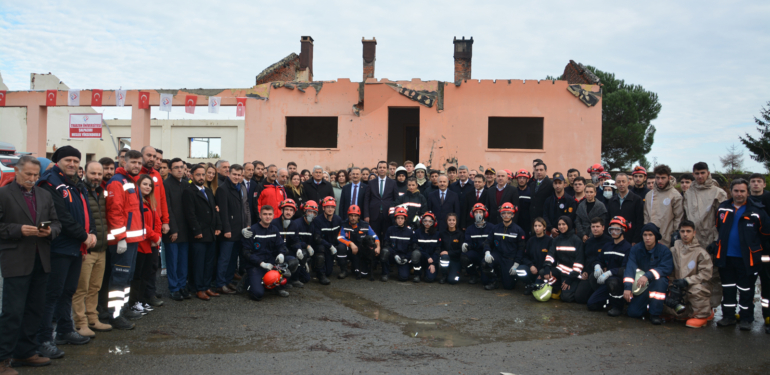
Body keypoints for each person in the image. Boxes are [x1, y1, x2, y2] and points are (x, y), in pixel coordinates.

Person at [0, 156, 61, 371]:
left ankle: (25, 353)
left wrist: (49, 231)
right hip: (16, 259)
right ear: (17, 171)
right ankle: (2, 359)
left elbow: (56, 223)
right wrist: (18, 230)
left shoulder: (44, 195)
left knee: (35, 309)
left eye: (36, 175)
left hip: (41, 258)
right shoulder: (4, 194)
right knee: (13, 312)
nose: (32, 179)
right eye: (28, 174)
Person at [36, 146, 95, 357]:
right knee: (51, 294)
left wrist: (93, 232)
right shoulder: (49, 182)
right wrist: (84, 236)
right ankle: (42, 339)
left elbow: (86, 211)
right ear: (58, 161)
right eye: (68, 160)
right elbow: (61, 216)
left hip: (75, 248)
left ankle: (65, 330)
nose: (72, 164)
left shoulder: (76, 184)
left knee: (68, 291)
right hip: (58, 247)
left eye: (75, 160)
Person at [714, 179, 770, 331]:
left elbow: (765, 234)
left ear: (748, 192)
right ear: (731, 192)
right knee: (728, 289)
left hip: (747, 259)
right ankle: (728, 317)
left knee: (746, 290)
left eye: (742, 191)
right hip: (726, 257)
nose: (739, 194)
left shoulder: (757, 211)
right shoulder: (723, 208)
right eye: (736, 191)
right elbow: (718, 227)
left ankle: (746, 318)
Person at [103, 150, 144, 330]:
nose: (137, 165)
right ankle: (114, 314)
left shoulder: (129, 181)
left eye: (138, 162)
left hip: (132, 239)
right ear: (124, 162)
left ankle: (123, 308)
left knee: (127, 277)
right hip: (123, 241)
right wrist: (120, 238)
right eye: (133, 162)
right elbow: (114, 211)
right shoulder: (117, 182)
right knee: (119, 278)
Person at [72, 162, 112, 338]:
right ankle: (80, 324)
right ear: (84, 173)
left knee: (95, 287)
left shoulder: (101, 191)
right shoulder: (79, 191)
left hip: (101, 247)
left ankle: (93, 319)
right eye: (93, 173)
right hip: (86, 248)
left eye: (99, 173)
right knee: (81, 288)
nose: (96, 176)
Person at [683, 162, 727, 311]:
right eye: (697, 173)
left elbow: (724, 221)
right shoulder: (689, 192)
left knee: (712, 275)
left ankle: (710, 307)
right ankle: (694, 306)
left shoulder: (718, 193)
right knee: (692, 272)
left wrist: (718, 240)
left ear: (708, 173)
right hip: (692, 240)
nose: (700, 176)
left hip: (710, 239)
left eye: (703, 173)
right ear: (693, 174)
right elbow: (686, 216)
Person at [182, 164, 222, 301]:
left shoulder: (208, 191)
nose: (201, 177)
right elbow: (190, 214)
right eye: (198, 175)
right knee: (198, 263)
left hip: (211, 233)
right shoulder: (189, 191)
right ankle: (199, 289)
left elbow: (214, 210)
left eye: (202, 175)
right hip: (199, 234)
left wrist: (218, 225)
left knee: (209, 262)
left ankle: (206, 287)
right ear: (191, 176)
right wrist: (196, 230)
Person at [623, 223, 673, 325]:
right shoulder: (636, 249)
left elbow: (666, 268)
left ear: (656, 236)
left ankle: (655, 314)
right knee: (633, 313)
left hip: (657, 285)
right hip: (641, 285)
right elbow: (630, 268)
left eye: (650, 235)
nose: (647, 238)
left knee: (661, 281)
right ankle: (645, 308)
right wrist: (627, 288)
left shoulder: (664, 251)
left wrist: (647, 275)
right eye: (645, 235)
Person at [666, 220, 713, 328]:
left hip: (694, 284)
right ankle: (681, 313)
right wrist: (672, 284)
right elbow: (670, 270)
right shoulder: (673, 250)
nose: (685, 234)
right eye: (682, 231)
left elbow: (706, 274)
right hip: (678, 286)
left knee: (696, 290)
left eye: (688, 231)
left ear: (694, 233)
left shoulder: (701, 252)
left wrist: (687, 281)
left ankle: (702, 316)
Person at [240, 205, 290, 300]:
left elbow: (281, 246)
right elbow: (246, 252)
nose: (267, 217)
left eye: (270, 214)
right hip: (256, 265)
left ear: (273, 215)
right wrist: (260, 263)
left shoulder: (274, 229)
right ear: (260, 215)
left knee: (290, 262)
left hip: (271, 263)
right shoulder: (252, 230)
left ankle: (276, 287)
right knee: (257, 294)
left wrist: (281, 254)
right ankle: (247, 281)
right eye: (265, 214)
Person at [139, 146, 168, 306]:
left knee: (152, 264)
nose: (153, 159)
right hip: (141, 227)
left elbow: (162, 199)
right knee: (141, 267)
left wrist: (165, 221)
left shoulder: (156, 175)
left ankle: (150, 293)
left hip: (156, 225)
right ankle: (142, 297)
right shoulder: (136, 175)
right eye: (149, 155)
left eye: (155, 157)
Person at [129, 174, 162, 316]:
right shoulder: (136, 202)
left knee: (146, 275)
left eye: (150, 185)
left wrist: (158, 237)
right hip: (141, 245)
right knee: (137, 276)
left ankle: (141, 300)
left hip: (151, 245)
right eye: (145, 184)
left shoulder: (151, 202)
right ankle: (134, 302)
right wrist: (154, 236)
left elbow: (157, 222)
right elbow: (141, 223)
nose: (148, 187)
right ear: (138, 185)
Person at [587, 216, 632, 316]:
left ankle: (618, 306)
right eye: (612, 229)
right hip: (607, 281)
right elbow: (599, 259)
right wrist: (597, 266)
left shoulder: (627, 248)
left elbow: (626, 269)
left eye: (617, 229)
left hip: (619, 282)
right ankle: (607, 300)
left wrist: (610, 272)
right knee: (591, 305)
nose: (614, 232)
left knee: (613, 281)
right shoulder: (607, 246)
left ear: (623, 230)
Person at [215, 164, 248, 295]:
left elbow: (243, 210)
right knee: (224, 259)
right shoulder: (223, 189)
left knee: (233, 260)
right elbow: (223, 212)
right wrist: (226, 229)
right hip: (228, 232)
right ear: (229, 174)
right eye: (234, 174)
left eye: (239, 175)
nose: (237, 177)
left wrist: (245, 226)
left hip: (239, 230)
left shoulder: (240, 188)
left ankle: (228, 281)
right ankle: (220, 284)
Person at [481, 202, 527, 291]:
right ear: (501, 214)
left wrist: (516, 263)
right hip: (497, 255)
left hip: (510, 258)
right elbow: (487, 242)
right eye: (504, 213)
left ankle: (508, 276)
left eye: (509, 213)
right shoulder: (495, 228)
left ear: (513, 215)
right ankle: (493, 281)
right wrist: (487, 252)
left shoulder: (518, 230)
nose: (506, 215)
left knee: (508, 286)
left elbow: (521, 249)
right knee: (484, 263)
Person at [163, 158, 191, 302]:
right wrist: (173, 229)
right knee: (172, 261)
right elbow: (167, 208)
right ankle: (173, 288)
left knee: (183, 261)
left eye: (181, 167)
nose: (180, 170)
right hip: (173, 231)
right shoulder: (166, 185)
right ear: (170, 170)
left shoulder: (186, 184)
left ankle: (181, 286)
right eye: (176, 168)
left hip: (186, 230)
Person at [542, 216, 584, 302]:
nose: (561, 227)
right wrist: (547, 267)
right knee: (543, 273)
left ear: (569, 225)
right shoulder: (556, 240)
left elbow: (579, 262)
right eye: (559, 224)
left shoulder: (576, 240)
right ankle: (558, 287)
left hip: (572, 274)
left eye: (564, 224)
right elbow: (550, 254)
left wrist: (569, 279)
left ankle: (569, 287)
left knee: (566, 298)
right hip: (560, 270)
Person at [748, 173, 770, 333]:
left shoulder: (769, 199)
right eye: (753, 181)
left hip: (767, 250)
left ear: (764, 184)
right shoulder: (745, 200)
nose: (755, 184)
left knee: (767, 282)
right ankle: (746, 315)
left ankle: (767, 315)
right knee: (747, 284)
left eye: (758, 181)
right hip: (749, 250)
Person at [574, 217, 612, 304]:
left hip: (602, 274)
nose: (595, 229)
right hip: (589, 273)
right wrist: (584, 271)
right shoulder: (588, 242)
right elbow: (584, 258)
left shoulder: (609, 242)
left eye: (597, 226)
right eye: (593, 226)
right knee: (579, 298)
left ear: (603, 227)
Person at [644, 164, 684, 247]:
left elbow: (678, 218)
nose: (660, 181)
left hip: (667, 238)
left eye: (663, 178)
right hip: (650, 238)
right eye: (658, 178)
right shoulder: (649, 195)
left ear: (669, 178)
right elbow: (646, 215)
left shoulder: (675, 195)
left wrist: (675, 235)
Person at [337, 205, 380, 280]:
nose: (353, 218)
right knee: (341, 247)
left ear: (359, 216)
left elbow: (375, 237)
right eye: (351, 215)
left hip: (360, 253)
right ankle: (344, 271)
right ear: (348, 216)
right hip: (350, 250)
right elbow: (339, 238)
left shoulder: (365, 225)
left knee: (362, 274)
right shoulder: (344, 224)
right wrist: (350, 244)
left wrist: (378, 247)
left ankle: (355, 266)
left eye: (355, 216)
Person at [607, 173, 644, 246]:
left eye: (623, 181)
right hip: (615, 238)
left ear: (628, 183)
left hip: (631, 239)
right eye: (619, 182)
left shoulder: (637, 200)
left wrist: (636, 239)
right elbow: (608, 219)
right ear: (615, 184)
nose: (621, 184)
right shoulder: (611, 201)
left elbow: (640, 221)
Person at [363, 161, 399, 238]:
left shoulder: (393, 183)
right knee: (374, 237)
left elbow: (396, 200)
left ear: (387, 169)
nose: (382, 169)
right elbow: (366, 200)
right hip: (374, 215)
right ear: (377, 169)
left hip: (388, 215)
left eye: (384, 167)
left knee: (386, 237)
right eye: (380, 167)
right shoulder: (371, 183)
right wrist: (366, 215)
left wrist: (395, 215)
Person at [313, 197, 344, 283]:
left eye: (332, 207)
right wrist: (329, 246)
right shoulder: (318, 220)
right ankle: (320, 274)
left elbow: (341, 235)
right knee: (320, 248)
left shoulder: (338, 219)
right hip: (323, 247)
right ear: (323, 208)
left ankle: (343, 269)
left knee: (329, 272)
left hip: (333, 248)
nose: (330, 209)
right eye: (327, 207)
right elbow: (317, 238)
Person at [520, 218, 553, 293]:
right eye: (535, 226)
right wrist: (531, 265)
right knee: (520, 269)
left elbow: (551, 258)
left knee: (538, 289)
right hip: (532, 269)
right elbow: (525, 257)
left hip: (543, 271)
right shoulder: (531, 240)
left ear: (544, 227)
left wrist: (543, 271)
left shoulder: (550, 241)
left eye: (539, 226)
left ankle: (536, 284)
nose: (537, 228)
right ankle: (529, 284)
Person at [464, 203, 494, 285]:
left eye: (480, 212)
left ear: (485, 213)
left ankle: (492, 276)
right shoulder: (470, 229)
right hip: (476, 254)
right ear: (472, 214)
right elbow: (468, 242)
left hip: (488, 254)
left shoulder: (491, 227)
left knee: (485, 281)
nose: (478, 214)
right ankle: (474, 274)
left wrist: (489, 252)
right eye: (476, 212)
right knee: (464, 257)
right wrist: (466, 245)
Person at [439, 213, 464, 284]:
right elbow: (439, 247)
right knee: (444, 257)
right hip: (445, 258)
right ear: (446, 221)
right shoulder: (442, 233)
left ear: (456, 221)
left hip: (456, 260)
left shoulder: (460, 234)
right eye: (449, 220)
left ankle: (454, 272)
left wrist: (449, 252)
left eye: (453, 220)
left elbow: (461, 250)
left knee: (452, 281)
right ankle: (444, 275)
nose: (451, 222)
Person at [529, 162, 554, 229]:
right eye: (537, 170)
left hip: (544, 219)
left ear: (546, 171)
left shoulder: (551, 184)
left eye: (541, 170)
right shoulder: (532, 184)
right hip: (533, 219)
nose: (539, 172)